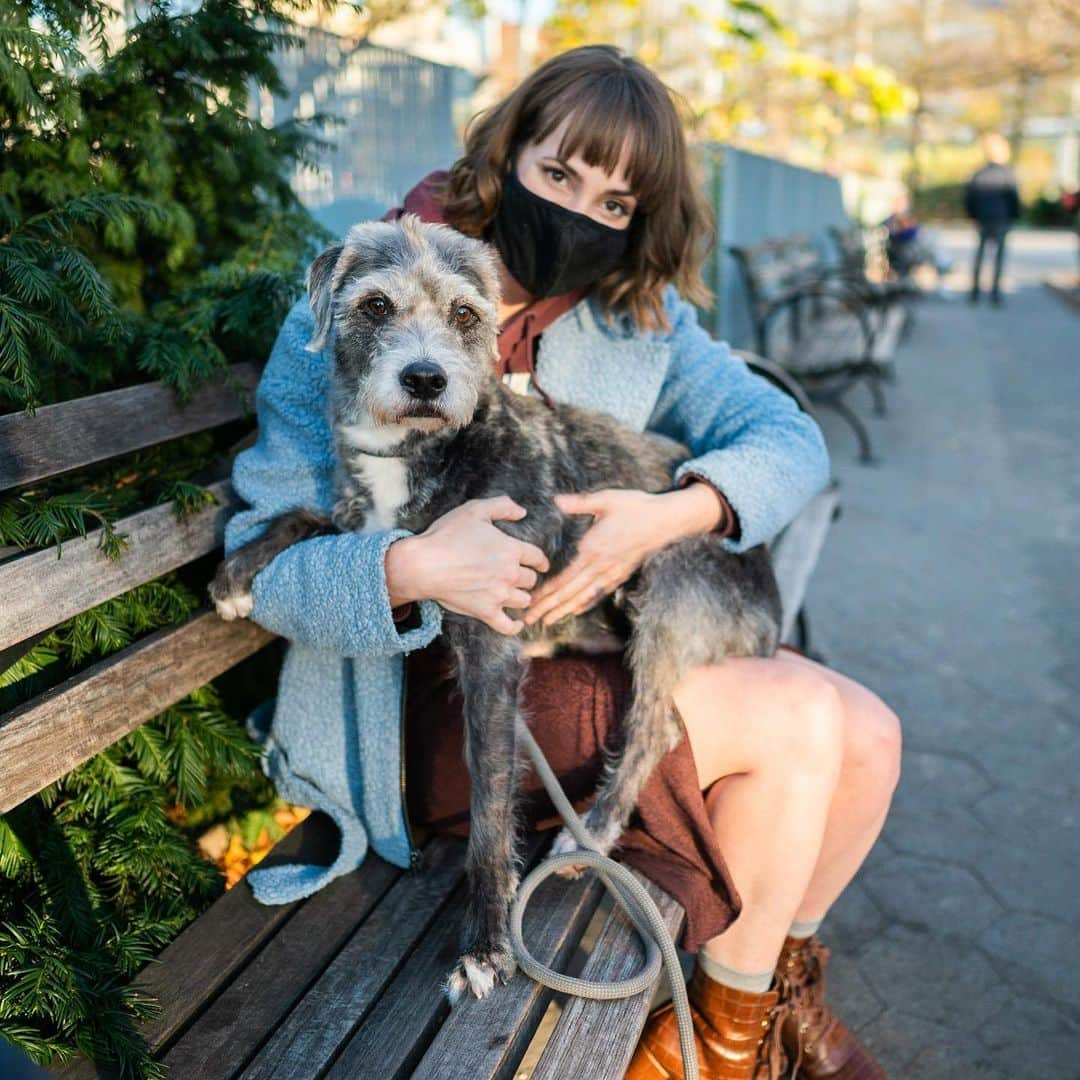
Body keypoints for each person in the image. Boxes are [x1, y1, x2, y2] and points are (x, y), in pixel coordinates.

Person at [225, 45, 902, 1080]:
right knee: (801, 721)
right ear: (508, 154)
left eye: (617, 202)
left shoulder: (635, 318)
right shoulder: (363, 291)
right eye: (560, 174)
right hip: (418, 701)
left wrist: (677, 510)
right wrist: (408, 567)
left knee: (871, 732)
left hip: (557, 658)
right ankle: (728, 1040)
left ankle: (756, 1004)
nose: (581, 212)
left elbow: (788, 438)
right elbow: (263, 567)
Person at [965, 133, 1021, 306]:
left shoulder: (978, 173)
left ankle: (975, 292)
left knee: (980, 255)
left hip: (983, 219)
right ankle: (995, 293)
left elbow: (969, 198)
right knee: (998, 257)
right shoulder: (1007, 174)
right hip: (1001, 219)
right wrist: (1014, 216)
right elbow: (1014, 199)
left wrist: (974, 216)